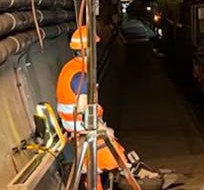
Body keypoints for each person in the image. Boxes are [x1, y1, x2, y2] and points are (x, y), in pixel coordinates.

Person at [57, 26, 167, 189]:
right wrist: (103, 130)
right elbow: (83, 111)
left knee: (94, 171)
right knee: (117, 159)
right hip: (82, 129)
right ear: (87, 50)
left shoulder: (70, 68)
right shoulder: (81, 75)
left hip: (74, 128)